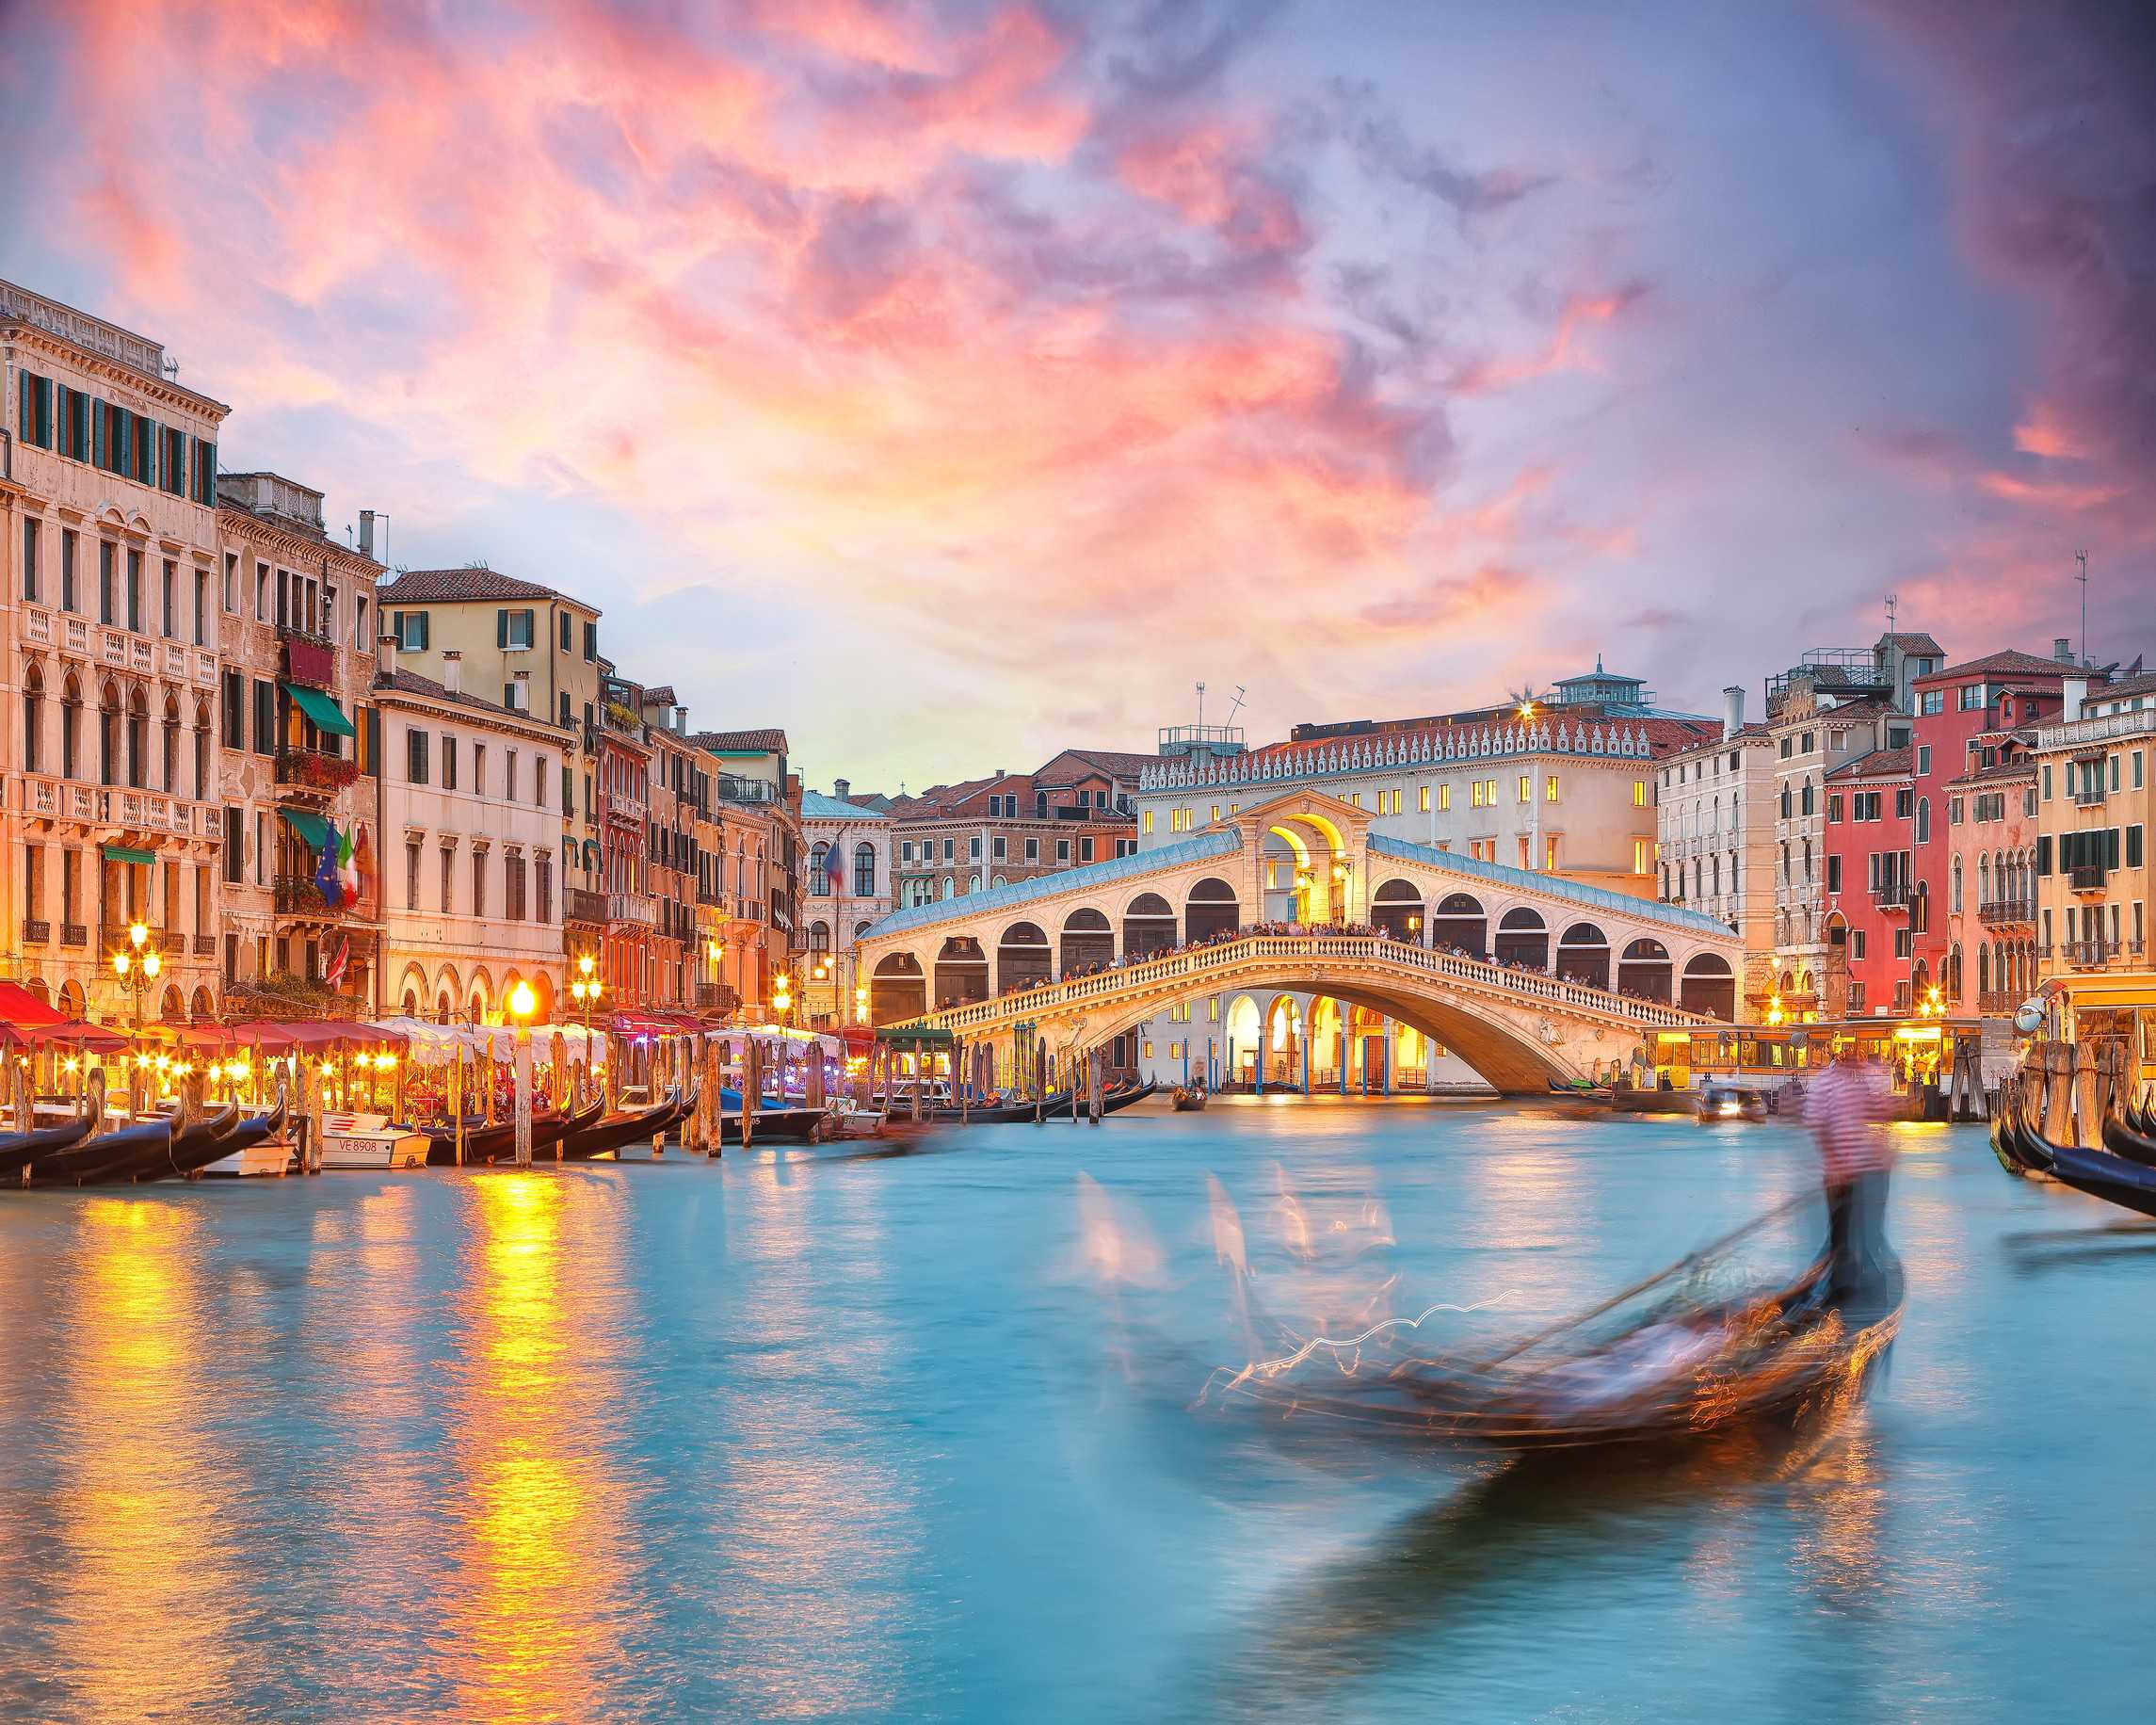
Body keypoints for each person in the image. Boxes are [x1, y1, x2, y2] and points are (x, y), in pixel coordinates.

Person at [1804, 1047, 1894, 1302]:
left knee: (1858, 1231)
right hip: (1839, 1173)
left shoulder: (1854, 1084)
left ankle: (1850, 1280)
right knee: (1841, 1233)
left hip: (1859, 1172)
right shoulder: (1826, 1083)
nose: (1854, 1057)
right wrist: (1835, 1164)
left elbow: (1872, 1118)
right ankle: (1838, 1290)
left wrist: (1881, 1152)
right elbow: (1817, 1126)